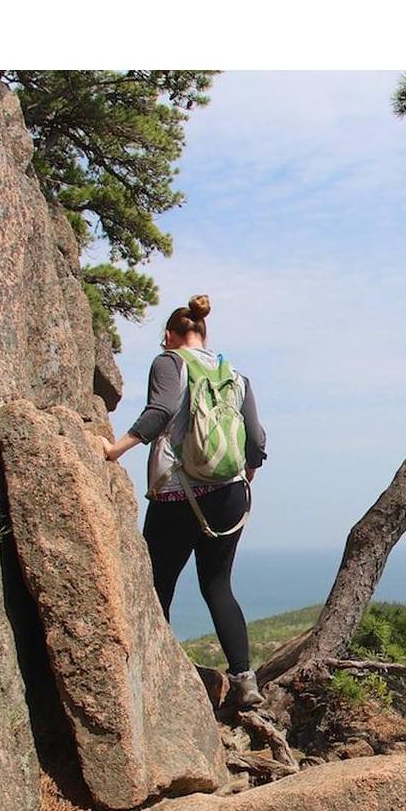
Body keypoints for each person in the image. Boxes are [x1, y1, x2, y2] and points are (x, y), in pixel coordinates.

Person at [102, 294, 267, 708]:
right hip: (230, 494)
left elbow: (160, 409)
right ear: (204, 333)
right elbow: (257, 438)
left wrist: (115, 449)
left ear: (169, 336)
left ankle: (159, 677)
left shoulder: (170, 362)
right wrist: (247, 472)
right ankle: (245, 681)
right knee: (218, 585)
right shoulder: (236, 375)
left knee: (157, 582)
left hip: (180, 493)